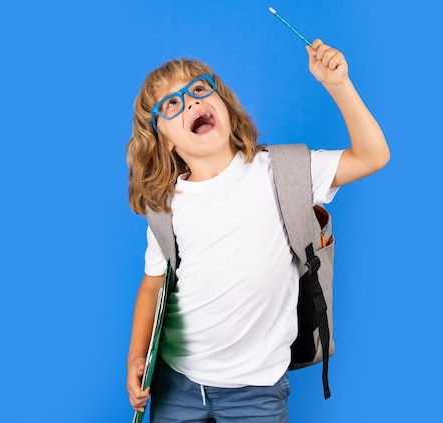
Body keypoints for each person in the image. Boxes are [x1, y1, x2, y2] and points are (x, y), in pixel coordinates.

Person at [126, 39, 390, 422]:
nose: (193, 101)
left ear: (224, 103)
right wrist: (136, 356)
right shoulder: (166, 205)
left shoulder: (285, 171)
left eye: (200, 89)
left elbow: (373, 155)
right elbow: (153, 284)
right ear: (164, 140)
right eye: (172, 103)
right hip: (178, 384)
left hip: (257, 391)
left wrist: (338, 85)